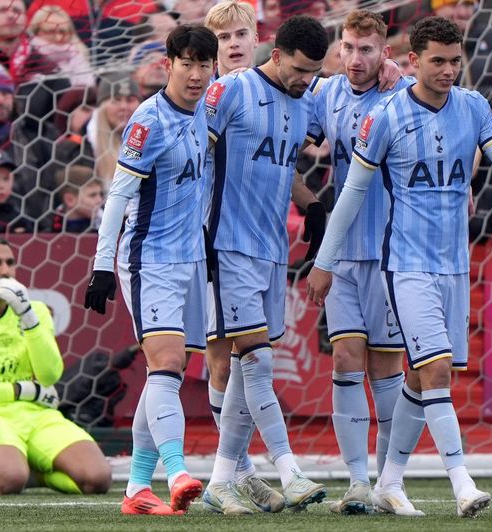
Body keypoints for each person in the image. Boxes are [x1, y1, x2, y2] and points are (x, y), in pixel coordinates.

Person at [306, 16, 492, 518]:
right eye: (437, 61)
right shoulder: (387, 115)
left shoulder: (474, 106)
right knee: (432, 370)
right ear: (413, 61)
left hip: (454, 264)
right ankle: (461, 483)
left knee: (422, 378)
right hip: (405, 265)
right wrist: (324, 261)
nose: (448, 70)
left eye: (455, 61)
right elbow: (351, 193)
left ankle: (389, 481)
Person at [82, 24, 218, 516]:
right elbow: (118, 196)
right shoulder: (148, 120)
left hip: (191, 259)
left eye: (205, 64)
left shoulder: (209, 105)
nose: (197, 74)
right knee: (166, 364)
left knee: (168, 373)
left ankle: (137, 488)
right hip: (148, 258)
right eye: (188, 63)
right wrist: (102, 266)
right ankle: (177, 471)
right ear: (169, 65)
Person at [203, 14, 329, 512]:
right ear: (274, 55)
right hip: (225, 244)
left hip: (272, 250)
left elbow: (278, 164)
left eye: (314, 72)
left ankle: (221, 480)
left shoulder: (306, 104)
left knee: (242, 367)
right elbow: (193, 156)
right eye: (299, 69)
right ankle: (289, 469)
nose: (306, 79)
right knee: (255, 360)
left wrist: (312, 204)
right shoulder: (230, 92)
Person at [305, 9, 414, 515]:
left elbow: (441, 98)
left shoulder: (402, 94)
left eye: (366, 49)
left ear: (384, 52)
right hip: (342, 252)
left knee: (386, 368)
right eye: (347, 47)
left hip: (392, 251)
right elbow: (290, 117)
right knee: (346, 359)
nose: (355, 58)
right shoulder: (325, 94)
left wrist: (406, 77)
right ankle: (356, 483)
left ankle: (390, 482)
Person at [0, 236, 111, 496]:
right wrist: (22, 390)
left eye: (10, 263)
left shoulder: (35, 310)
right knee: (9, 479)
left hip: (37, 415)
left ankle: (33, 474)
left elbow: (50, 374)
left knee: (98, 479)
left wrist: (27, 317)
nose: (5, 270)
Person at [199, 0, 285, 516]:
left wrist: (309, 203)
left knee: (249, 358)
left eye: (240, 34)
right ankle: (239, 474)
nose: (233, 44)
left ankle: (236, 472)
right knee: (224, 359)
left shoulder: (273, 95)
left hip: (263, 245)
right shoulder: (209, 97)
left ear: (258, 38)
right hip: (213, 242)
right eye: (222, 38)